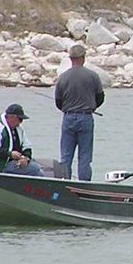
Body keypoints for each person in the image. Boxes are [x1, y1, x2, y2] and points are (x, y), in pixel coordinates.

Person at [54, 44, 105, 181]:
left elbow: (58, 102)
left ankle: (63, 183)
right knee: (85, 157)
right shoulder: (93, 76)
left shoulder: (62, 77)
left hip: (68, 117)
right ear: (83, 58)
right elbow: (100, 98)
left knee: (65, 156)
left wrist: (68, 108)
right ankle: (84, 185)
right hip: (86, 118)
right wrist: (92, 107)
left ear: (71, 59)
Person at [0, 103, 44, 177]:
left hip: (14, 161)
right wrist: (10, 154)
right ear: (11, 117)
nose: (20, 123)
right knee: (34, 169)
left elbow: (27, 147)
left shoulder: (19, 129)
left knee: (35, 165)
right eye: (20, 119)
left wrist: (25, 158)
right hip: (0, 164)